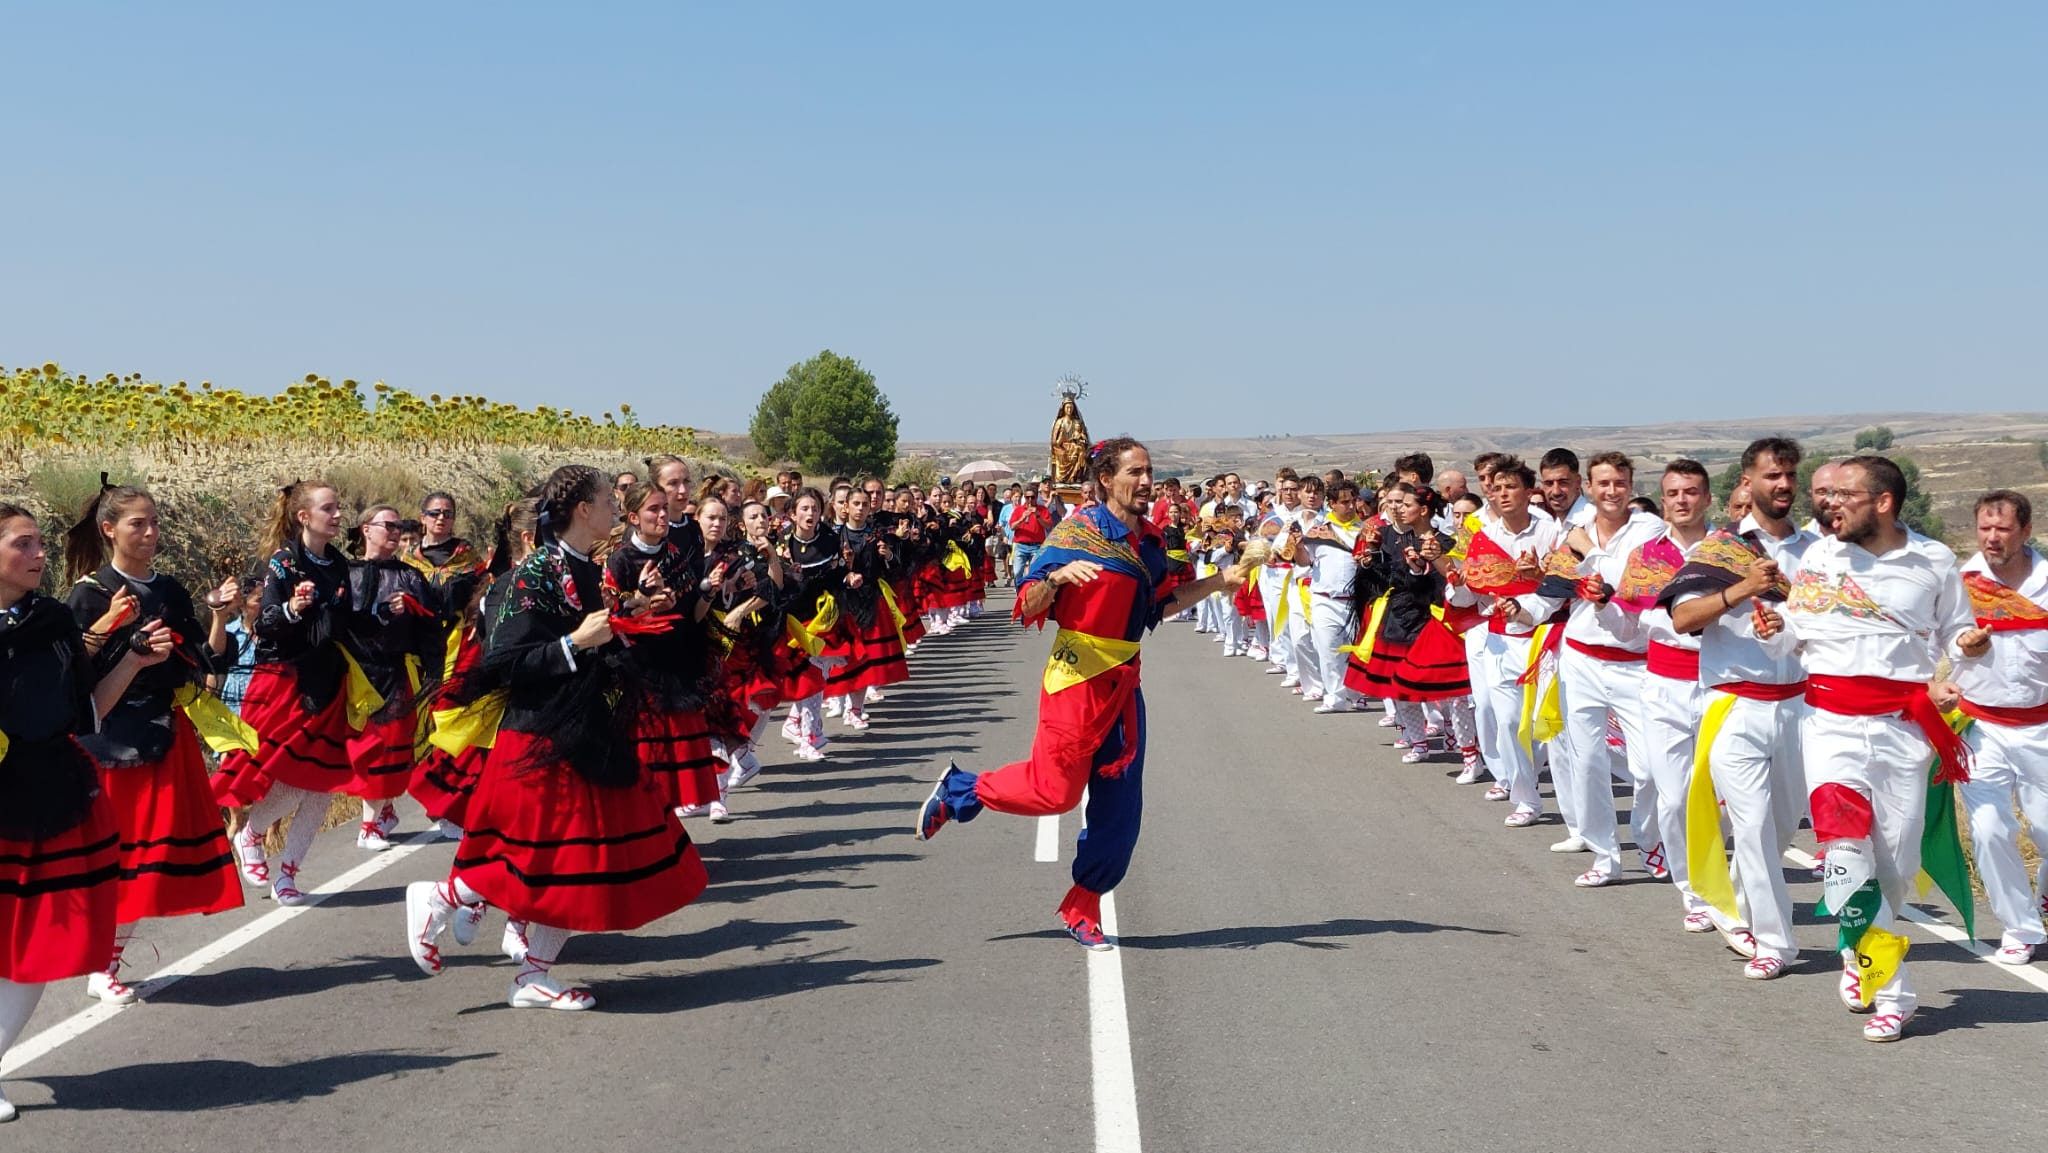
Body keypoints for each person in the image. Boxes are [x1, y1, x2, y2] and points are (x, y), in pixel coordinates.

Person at [914, 438, 1251, 949]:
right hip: (1075, 681)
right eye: (1134, 472)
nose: (1145, 482)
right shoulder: (1076, 532)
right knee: (1056, 793)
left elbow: (1158, 604)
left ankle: (1082, 904)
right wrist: (1056, 579)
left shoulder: (1152, 542)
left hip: (1124, 686)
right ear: (1104, 480)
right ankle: (963, 790)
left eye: (1149, 471)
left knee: (1121, 811)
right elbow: (1026, 603)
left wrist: (1219, 581)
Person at [406, 465, 709, 1011]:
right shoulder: (534, 573)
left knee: (585, 865)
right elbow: (504, 663)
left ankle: (533, 976)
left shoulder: (585, 568)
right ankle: (440, 898)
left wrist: (626, 617)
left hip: (586, 731)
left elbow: (593, 640)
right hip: (540, 737)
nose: (617, 508)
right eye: (606, 500)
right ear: (582, 510)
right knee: (537, 858)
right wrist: (575, 642)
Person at [1754, 454, 1988, 1042]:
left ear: (1883, 502)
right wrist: (1774, 630)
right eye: (1828, 496)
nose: (1831, 504)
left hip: (1902, 730)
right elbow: (1792, 634)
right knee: (1845, 855)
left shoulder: (1932, 562)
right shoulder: (1819, 557)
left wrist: (1968, 651)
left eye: (1846, 496)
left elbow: (1954, 637)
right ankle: (1894, 992)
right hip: (1828, 724)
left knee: (1893, 867)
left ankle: (1860, 948)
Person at [60, 483, 245, 1004]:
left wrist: (217, 616)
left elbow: (205, 665)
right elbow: (71, 676)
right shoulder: (89, 592)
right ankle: (96, 959)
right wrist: (110, 626)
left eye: (155, 523)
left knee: (150, 861)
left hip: (164, 735)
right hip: (108, 741)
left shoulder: (169, 591)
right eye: (137, 524)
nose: (149, 533)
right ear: (109, 530)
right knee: (110, 859)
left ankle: (106, 962)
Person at [1666, 437, 1819, 976]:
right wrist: (1741, 589)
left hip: (1799, 706)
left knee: (1779, 830)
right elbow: (1684, 620)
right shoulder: (1717, 550)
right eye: (1772, 475)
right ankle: (1775, 942)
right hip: (1734, 705)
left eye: (1789, 476)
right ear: (1747, 482)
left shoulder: (1816, 548)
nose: (1782, 485)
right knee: (1751, 828)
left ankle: (1730, 900)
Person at [212, 481, 358, 905]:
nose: (336, 515)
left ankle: (289, 875)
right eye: (328, 508)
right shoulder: (283, 562)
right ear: (304, 516)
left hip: (328, 680)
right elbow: (267, 621)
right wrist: (294, 608)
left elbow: (344, 622)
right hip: (285, 681)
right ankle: (252, 833)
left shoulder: (339, 563)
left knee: (323, 784)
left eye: (338, 507)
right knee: (291, 774)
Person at [1548, 452, 1665, 886]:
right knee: (1588, 761)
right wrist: (1519, 609)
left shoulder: (1650, 530)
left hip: (1635, 661)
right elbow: (1552, 591)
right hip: (1580, 658)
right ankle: (1604, 856)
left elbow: (1631, 582)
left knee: (1649, 767)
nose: (1611, 491)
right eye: (1603, 484)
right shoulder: (1574, 534)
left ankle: (1649, 837)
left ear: (1631, 486)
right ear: (1589, 487)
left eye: (1619, 482)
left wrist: (1590, 555)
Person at [1944, 490, 2048, 966]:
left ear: (2026, 532)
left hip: (2040, 728)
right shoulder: (1959, 584)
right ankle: (2019, 926)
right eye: (1984, 528)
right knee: (1988, 830)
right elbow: (1931, 643)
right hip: (1980, 727)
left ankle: (2042, 896)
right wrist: (1961, 650)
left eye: (2002, 529)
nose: (1991, 538)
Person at [1450, 458, 1565, 828]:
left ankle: (1563, 791)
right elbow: (1464, 599)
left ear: (1530, 492)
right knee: (1509, 720)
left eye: (1511, 487)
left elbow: (1563, 587)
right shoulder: (1483, 535)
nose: (1502, 494)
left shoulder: (1551, 532)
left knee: (1543, 724)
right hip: (1499, 640)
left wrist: (1537, 582)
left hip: (1544, 638)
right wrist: (1460, 584)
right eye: (1497, 488)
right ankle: (1526, 798)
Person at [343, 505, 442, 850]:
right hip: (353, 673)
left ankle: (372, 822)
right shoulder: (345, 572)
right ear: (366, 529)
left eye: (399, 526)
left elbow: (431, 628)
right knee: (363, 749)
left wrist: (435, 674)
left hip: (394, 671)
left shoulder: (411, 576)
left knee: (389, 748)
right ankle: (378, 816)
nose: (396, 531)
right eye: (389, 525)